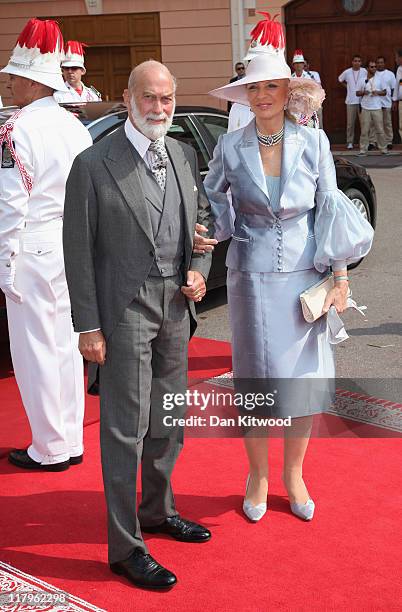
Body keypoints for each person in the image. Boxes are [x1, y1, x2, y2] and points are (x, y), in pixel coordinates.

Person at [200, 14, 373, 523]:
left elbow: (328, 208)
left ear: (287, 89)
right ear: (245, 93)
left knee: (299, 381)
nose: (263, 95)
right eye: (254, 88)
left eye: (272, 86)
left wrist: (339, 274)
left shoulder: (313, 142)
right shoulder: (231, 144)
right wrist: (210, 231)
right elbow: (214, 198)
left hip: (304, 278)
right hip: (249, 278)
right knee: (255, 380)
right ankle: (257, 474)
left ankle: (294, 473)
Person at [63, 60, 213, 590]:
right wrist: (88, 326)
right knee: (124, 429)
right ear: (127, 99)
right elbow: (77, 251)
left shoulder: (181, 153)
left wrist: (199, 269)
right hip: (123, 310)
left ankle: (157, 509)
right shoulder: (93, 163)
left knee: (168, 419)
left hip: (176, 307)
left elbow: (200, 225)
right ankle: (126, 548)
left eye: (167, 98)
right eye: (149, 98)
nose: (159, 108)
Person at [0, 19, 92, 471]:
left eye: (12, 77)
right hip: (69, 245)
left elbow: (10, 206)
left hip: (31, 245)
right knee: (65, 346)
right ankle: (69, 439)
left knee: (35, 350)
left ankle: (48, 447)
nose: (7, 84)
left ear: (32, 82)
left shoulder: (15, 130)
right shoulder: (74, 126)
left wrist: (4, 265)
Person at [356, 60, 388, 155]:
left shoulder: (380, 79)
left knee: (380, 129)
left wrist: (377, 92)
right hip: (365, 107)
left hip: (377, 107)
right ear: (367, 68)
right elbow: (357, 93)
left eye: (375, 67)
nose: (374, 68)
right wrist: (364, 92)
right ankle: (363, 150)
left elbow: (385, 92)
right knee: (364, 130)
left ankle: (383, 149)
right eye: (372, 67)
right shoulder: (362, 80)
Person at [338, 55, 367, 149]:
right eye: (355, 61)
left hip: (363, 101)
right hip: (350, 101)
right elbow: (340, 79)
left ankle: (364, 143)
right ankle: (350, 142)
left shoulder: (364, 71)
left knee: (364, 123)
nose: (357, 63)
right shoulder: (347, 72)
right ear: (352, 62)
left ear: (361, 62)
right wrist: (347, 87)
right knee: (350, 124)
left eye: (359, 61)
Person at [370, 56, 396, 149]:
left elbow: (393, 89)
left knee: (387, 123)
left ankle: (389, 141)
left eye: (382, 62)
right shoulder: (372, 74)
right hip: (375, 103)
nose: (380, 64)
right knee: (374, 123)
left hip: (387, 102)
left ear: (384, 63)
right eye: (378, 62)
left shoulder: (390, 74)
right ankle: (373, 142)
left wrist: (393, 101)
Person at [392, 49, 402, 143]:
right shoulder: (399, 69)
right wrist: (394, 100)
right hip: (401, 101)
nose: (396, 60)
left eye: (396, 57)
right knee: (401, 125)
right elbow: (397, 85)